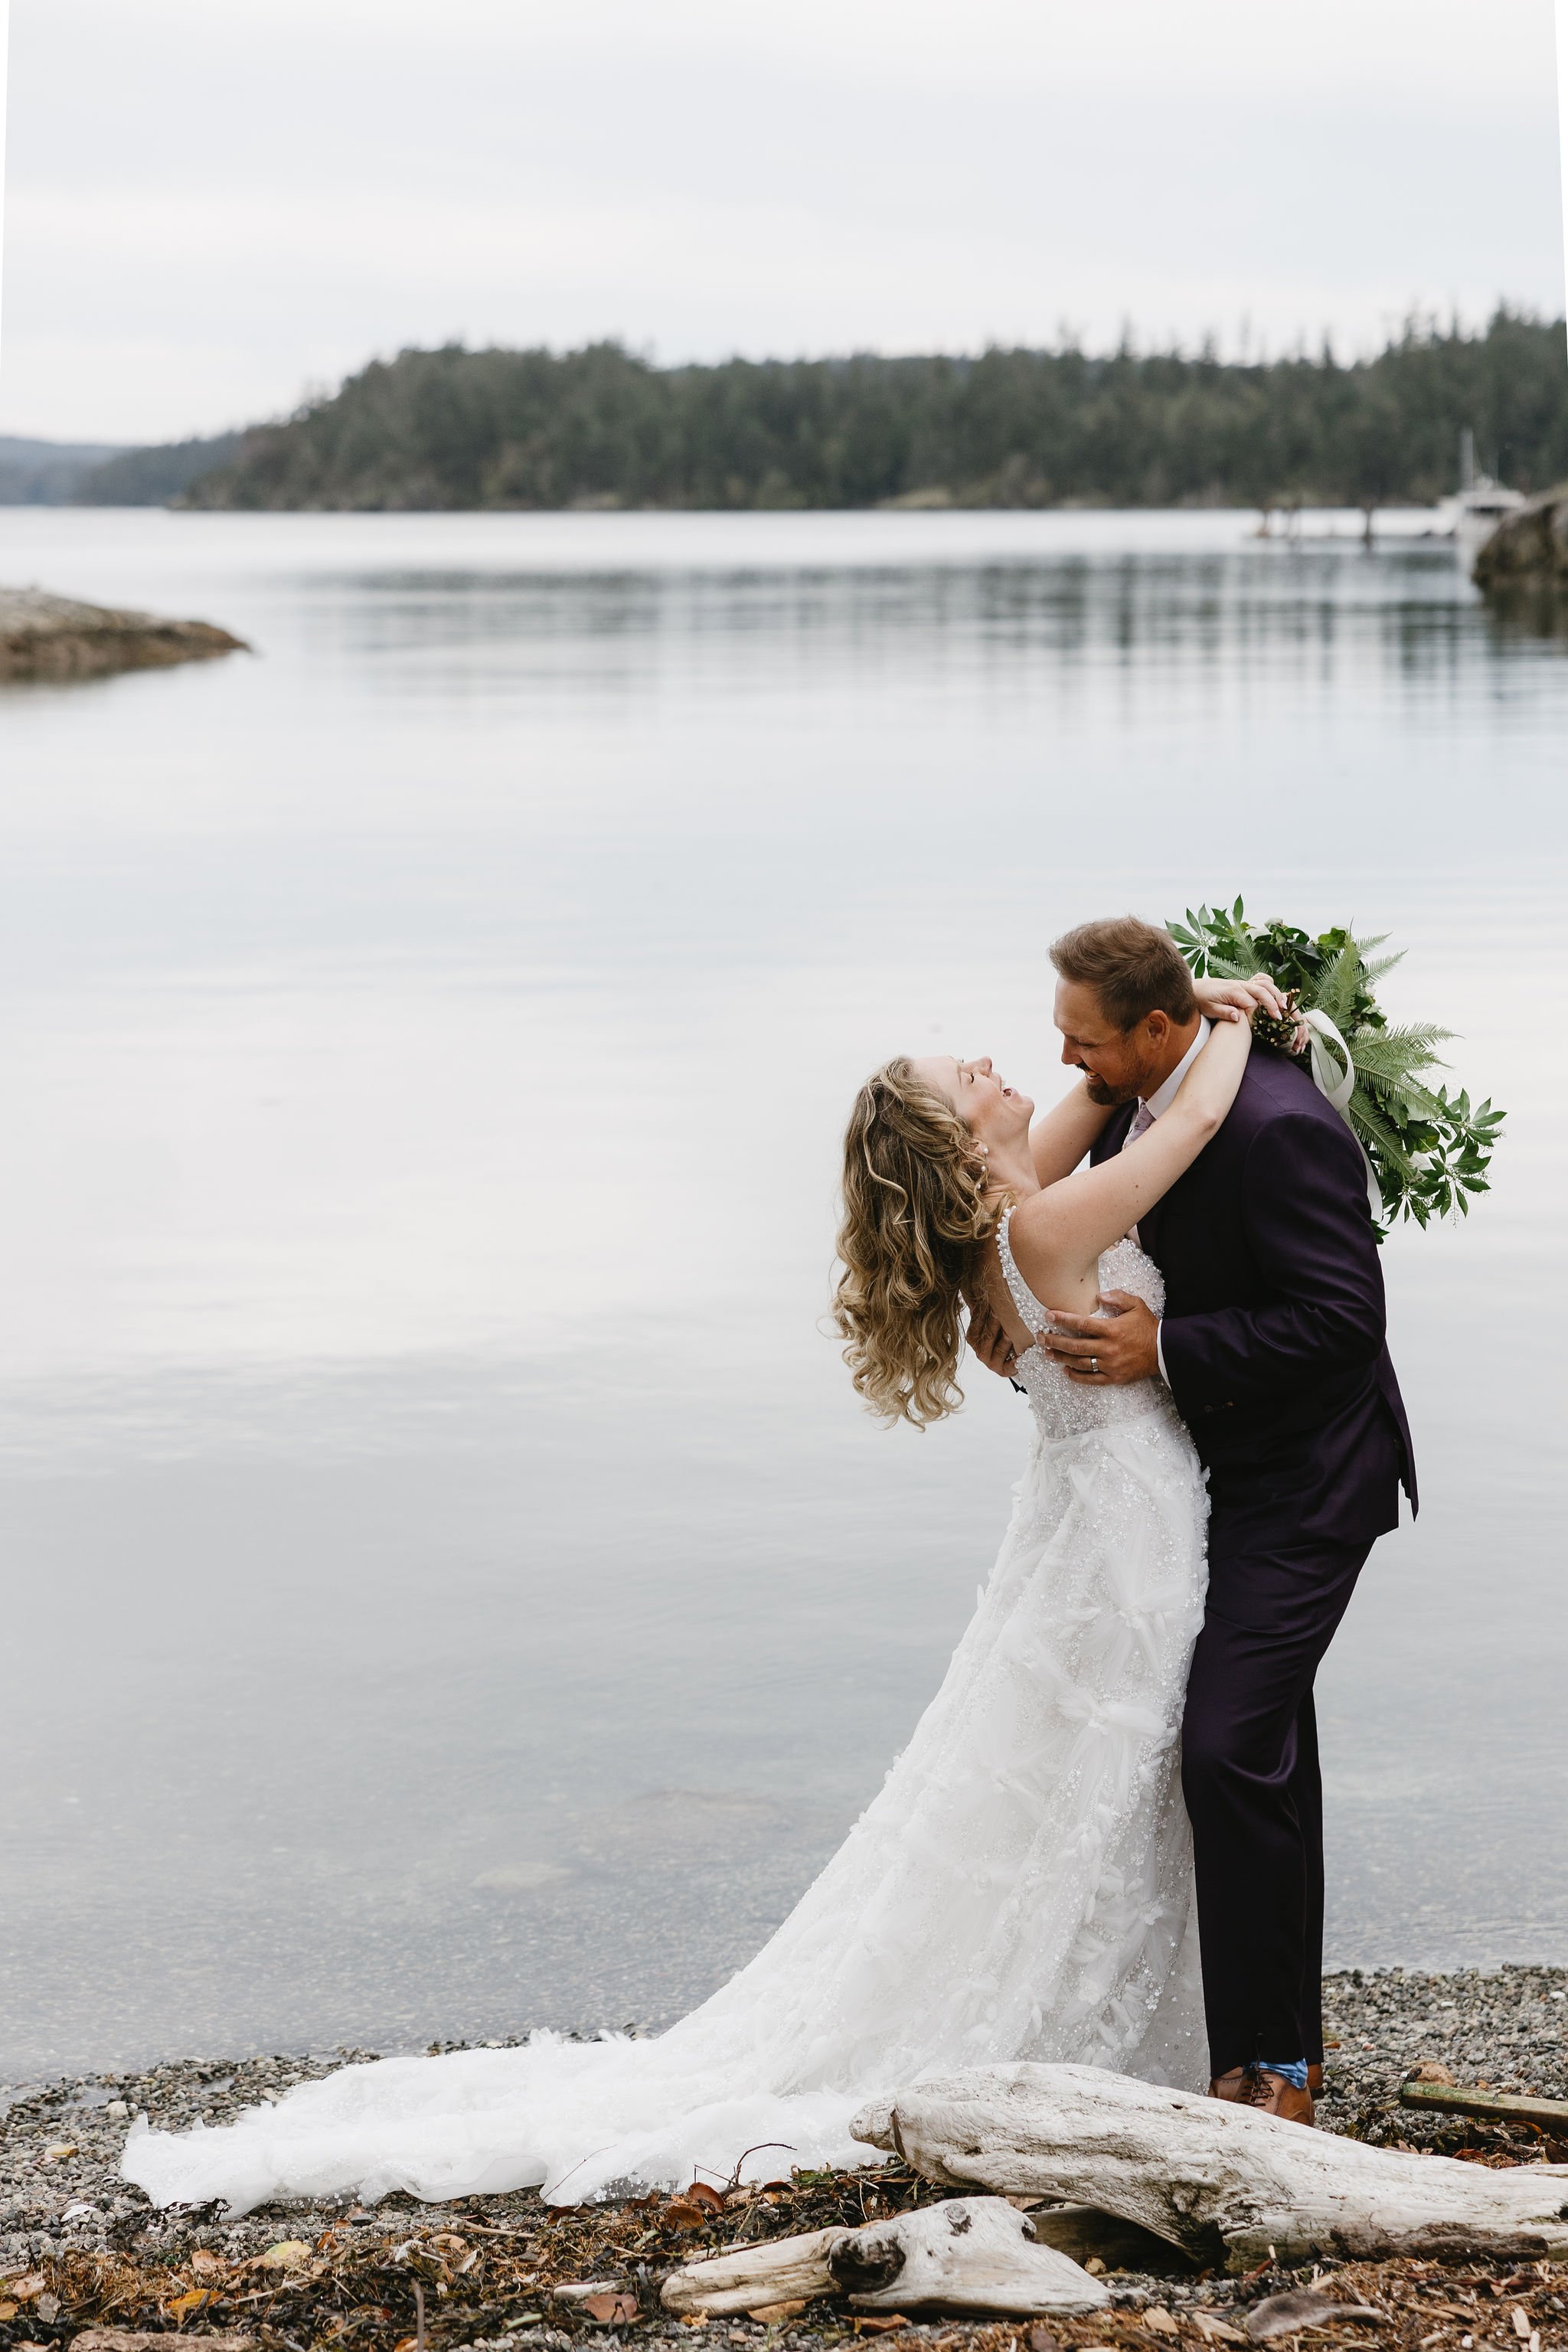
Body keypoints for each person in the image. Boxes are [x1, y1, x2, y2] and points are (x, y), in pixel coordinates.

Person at [120, 971, 1275, 2220]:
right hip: (1123, 1533)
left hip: (1094, 1522)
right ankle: (1128, 2035)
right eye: (971, 1077)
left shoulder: (1010, 1220)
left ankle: (1140, 2022)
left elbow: (1097, 1091)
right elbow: (1196, 1120)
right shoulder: (1042, 1228)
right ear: (956, 1141)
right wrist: (1236, 1021)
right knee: (1111, 1768)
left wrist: (1173, 1001)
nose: (1000, 1068)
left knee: (1097, 1774)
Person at [969, 916, 1416, 2125]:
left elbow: (1345, 1322)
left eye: (1085, 1042)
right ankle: (1270, 2052)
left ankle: (1276, 2067)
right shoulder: (1138, 1107)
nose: (1069, 1063)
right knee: (1258, 1751)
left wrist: (1167, 1348)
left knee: (1223, 1749)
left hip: (1307, 1482)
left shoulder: (1278, 1127)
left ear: (1159, 1029)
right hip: (1194, 1484)